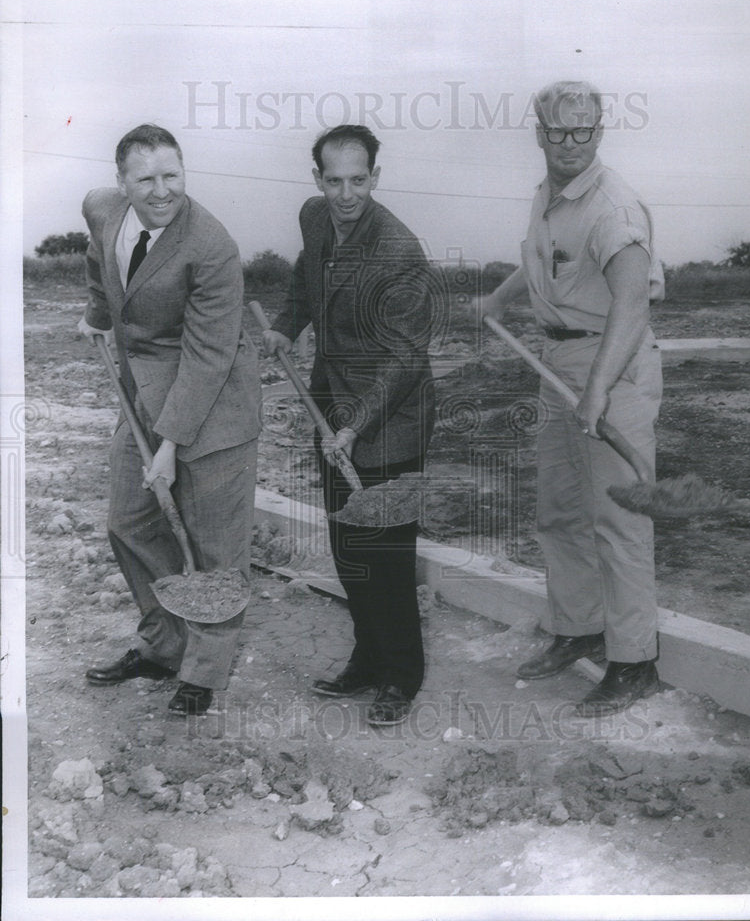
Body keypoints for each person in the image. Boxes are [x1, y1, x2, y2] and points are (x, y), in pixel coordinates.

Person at [474, 81, 665, 717]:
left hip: (613, 364)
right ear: (539, 133)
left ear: (601, 131)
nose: (571, 143)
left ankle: (634, 661)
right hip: (557, 362)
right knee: (559, 511)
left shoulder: (614, 208)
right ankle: (578, 627)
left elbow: (632, 304)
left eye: (583, 131)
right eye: (558, 131)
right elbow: (543, 260)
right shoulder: (551, 196)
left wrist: (600, 389)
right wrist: (499, 301)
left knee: (620, 519)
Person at [78, 124, 262, 716]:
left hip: (214, 407)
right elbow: (98, 265)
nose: (161, 191)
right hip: (144, 393)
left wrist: (168, 445)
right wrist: (97, 314)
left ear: (184, 171)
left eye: (172, 176)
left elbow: (209, 356)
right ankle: (165, 646)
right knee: (128, 521)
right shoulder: (104, 211)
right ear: (122, 182)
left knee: (214, 549)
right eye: (146, 179)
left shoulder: (210, 244)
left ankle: (204, 674)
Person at [258, 125, 436, 727]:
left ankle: (402, 676)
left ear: (375, 178)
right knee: (348, 546)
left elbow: (405, 358)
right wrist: (288, 324)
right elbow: (307, 275)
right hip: (331, 406)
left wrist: (357, 425)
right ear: (318, 181)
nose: (346, 194)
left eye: (358, 180)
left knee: (386, 551)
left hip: (391, 418)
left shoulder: (400, 253)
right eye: (334, 181)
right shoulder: (314, 218)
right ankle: (367, 658)